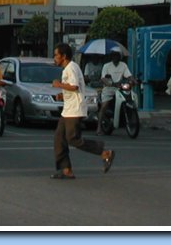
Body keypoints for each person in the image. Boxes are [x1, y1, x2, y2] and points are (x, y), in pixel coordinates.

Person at [50, 43, 114, 179]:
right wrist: (62, 94)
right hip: (68, 109)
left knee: (73, 139)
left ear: (64, 56)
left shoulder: (71, 68)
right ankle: (66, 169)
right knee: (59, 138)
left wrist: (58, 85)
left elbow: (74, 86)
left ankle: (104, 152)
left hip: (74, 110)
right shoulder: (68, 68)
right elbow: (73, 89)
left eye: (56, 55)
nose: (54, 58)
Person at [96, 50, 134, 135]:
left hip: (119, 88)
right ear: (111, 57)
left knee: (129, 99)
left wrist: (133, 80)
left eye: (117, 55)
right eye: (114, 55)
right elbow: (103, 78)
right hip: (109, 88)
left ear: (120, 57)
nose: (115, 57)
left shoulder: (123, 65)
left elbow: (129, 76)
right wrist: (109, 83)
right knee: (104, 106)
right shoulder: (106, 66)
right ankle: (98, 128)